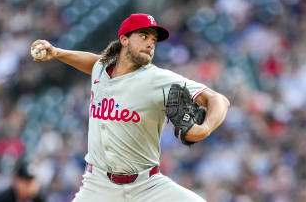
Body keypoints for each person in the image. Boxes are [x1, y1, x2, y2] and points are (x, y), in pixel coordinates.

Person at [31, 13, 230, 202]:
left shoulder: (158, 79)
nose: (151, 43)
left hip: (147, 186)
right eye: (143, 36)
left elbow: (218, 99)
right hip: (98, 185)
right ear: (124, 40)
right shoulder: (102, 69)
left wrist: (205, 128)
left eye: (153, 39)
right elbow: (94, 62)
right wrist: (57, 53)